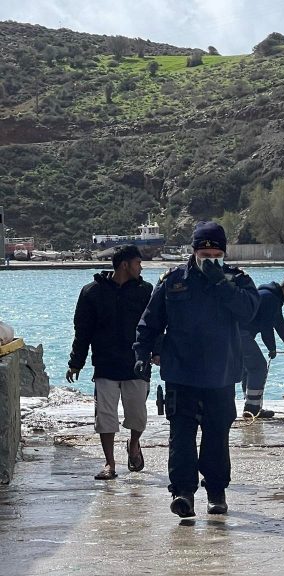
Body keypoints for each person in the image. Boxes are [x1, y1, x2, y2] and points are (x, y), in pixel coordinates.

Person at [134, 221, 259, 519]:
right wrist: (141, 355)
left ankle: (216, 492)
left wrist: (221, 283)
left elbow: (249, 312)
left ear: (224, 253)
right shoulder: (173, 280)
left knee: (216, 436)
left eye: (216, 253)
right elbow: (149, 323)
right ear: (194, 252)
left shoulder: (236, 280)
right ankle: (183, 493)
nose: (210, 259)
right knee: (181, 436)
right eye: (205, 254)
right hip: (181, 372)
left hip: (221, 375)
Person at [66, 245, 153, 481]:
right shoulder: (91, 292)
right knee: (105, 416)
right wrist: (76, 362)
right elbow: (82, 331)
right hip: (105, 364)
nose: (141, 267)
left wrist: (157, 352)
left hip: (137, 364)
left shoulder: (146, 290)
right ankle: (109, 463)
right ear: (125, 265)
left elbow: (155, 326)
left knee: (138, 415)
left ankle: (133, 445)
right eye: (138, 262)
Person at [240, 276, 284, 419]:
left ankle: (250, 407)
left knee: (249, 368)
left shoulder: (272, 297)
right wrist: (272, 348)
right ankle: (252, 409)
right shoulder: (269, 298)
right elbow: (266, 327)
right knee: (258, 367)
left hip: (237, 332)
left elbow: (279, 322)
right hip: (240, 334)